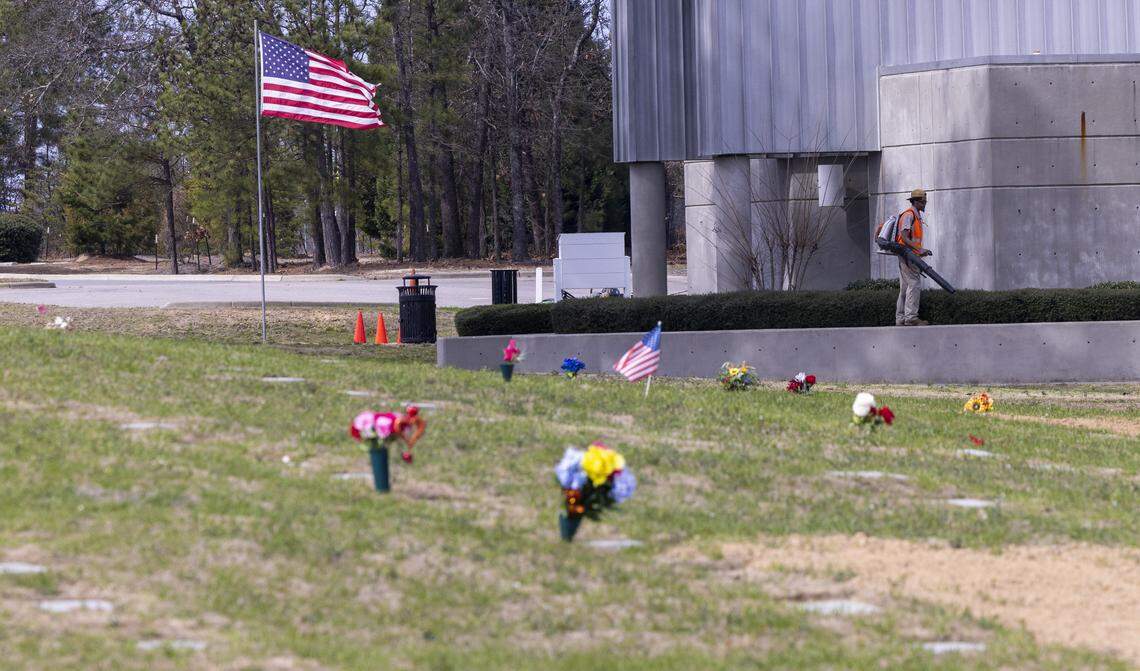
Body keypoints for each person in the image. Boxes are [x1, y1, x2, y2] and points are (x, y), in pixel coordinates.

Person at [895, 188, 932, 326]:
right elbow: (904, 237)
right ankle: (911, 318)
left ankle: (900, 319)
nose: (924, 204)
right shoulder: (909, 215)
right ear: (915, 202)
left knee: (905, 288)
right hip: (908, 256)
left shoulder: (915, 215)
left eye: (925, 202)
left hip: (908, 255)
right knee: (914, 284)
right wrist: (919, 249)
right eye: (922, 202)